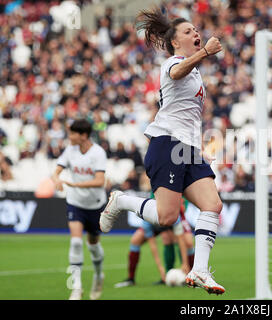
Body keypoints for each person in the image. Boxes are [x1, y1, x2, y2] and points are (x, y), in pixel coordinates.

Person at [99, 7, 225, 295]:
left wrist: (199, 148)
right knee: (167, 218)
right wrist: (204, 52)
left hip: (188, 149)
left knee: (212, 206)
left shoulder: (195, 74)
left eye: (195, 29)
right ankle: (120, 200)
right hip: (167, 144)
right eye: (187, 30)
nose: (195, 32)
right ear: (174, 42)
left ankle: (201, 270)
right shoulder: (172, 63)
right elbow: (179, 70)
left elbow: (188, 116)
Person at [51, 119, 107, 300]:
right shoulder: (70, 150)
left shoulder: (98, 153)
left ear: (83, 135)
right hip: (75, 202)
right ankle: (77, 286)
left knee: (93, 244)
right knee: (75, 242)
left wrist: (75, 183)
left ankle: (98, 275)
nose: (70, 136)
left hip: (95, 205)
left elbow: (100, 181)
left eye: (73, 133)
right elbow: (56, 171)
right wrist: (56, 179)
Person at [114, 196, 195, 288]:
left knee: (188, 242)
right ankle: (131, 279)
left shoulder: (175, 217)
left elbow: (181, 240)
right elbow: (153, 245)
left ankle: (192, 275)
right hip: (157, 223)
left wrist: (185, 263)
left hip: (172, 217)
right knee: (135, 240)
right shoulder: (147, 220)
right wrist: (160, 268)